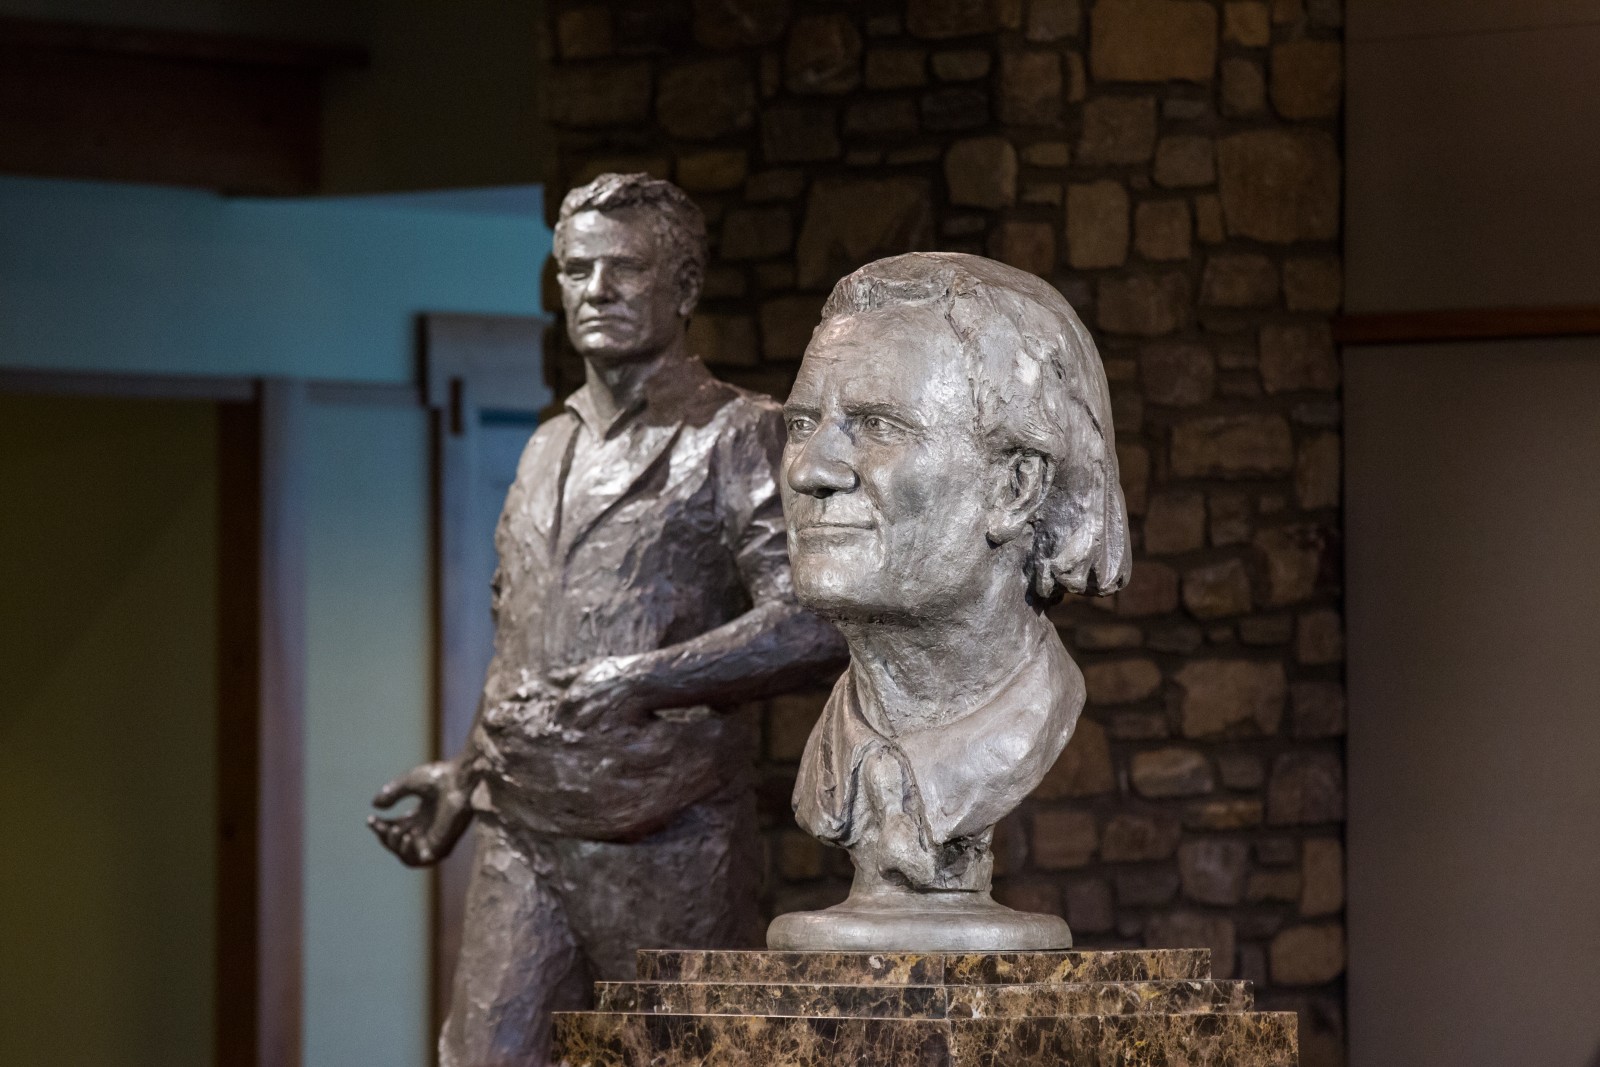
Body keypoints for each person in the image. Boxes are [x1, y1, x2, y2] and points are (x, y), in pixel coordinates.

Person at [367, 173, 844, 1066]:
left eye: (623, 270)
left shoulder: (737, 435)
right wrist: (467, 774)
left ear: (685, 289)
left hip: (667, 839)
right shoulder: (549, 444)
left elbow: (813, 620)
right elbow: (525, 641)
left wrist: (641, 680)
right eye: (576, 270)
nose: (596, 291)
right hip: (523, 830)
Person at [769, 252, 1130, 951]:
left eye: (878, 424)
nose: (811, 467)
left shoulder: (1040, 720)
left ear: (1016, 487)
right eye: (801, 423)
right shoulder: (829, 765)